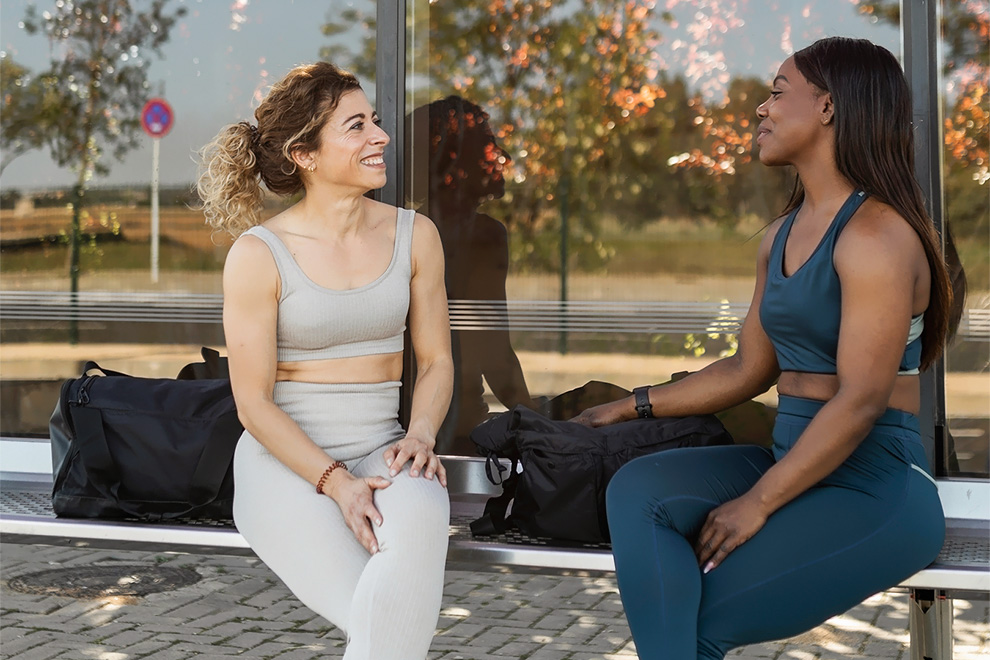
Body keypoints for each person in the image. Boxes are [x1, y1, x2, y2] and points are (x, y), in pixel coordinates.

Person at [572, 37, 952, 659]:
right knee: (637, 490)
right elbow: (751, 367)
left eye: (778, 92)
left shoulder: (878, 237)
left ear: (828, 108)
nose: (761, 109)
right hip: (790, 458)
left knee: (692, 625)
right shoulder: (778, 236)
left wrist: (756, 503)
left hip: (875, 485)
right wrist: (631, 405)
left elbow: (860, 402)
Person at [197, 62, 453, 660]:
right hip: (281, 466)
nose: (380, 137)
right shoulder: (259, 255)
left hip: (388, 451)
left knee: (391, 611)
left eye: (376, 122)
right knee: (385, 618)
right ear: (304, 154)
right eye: (356, 126)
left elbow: (437, 359)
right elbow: (253, 402)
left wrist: (420, 434)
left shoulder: (417, 236)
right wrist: (336, 484)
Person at [408, 96, 538, 454]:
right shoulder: (480, 236)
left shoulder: (403, 229)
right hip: (452, 436)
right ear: (454, 160)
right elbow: (492, 351)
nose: (500, 155)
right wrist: (543, 425)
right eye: (486, 144)